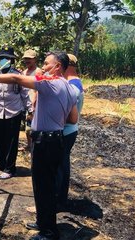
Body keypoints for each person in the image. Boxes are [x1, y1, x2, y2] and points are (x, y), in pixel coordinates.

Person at [0, 51, 79, 240]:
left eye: (46, 64)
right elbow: (73, 118)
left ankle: (49, 232)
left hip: (45, 142)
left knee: (44, 186)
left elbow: (15, 78)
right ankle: (43, 221)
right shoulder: (70, 89)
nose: (43, 67)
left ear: (58, 67)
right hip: (55, 140)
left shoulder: (49, 85)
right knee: (44, 184)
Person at [0, 46, 32, 179]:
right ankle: (1, 163)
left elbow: (25, 94)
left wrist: (30, 110)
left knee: (11, 142)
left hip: (13, 112)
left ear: (11, 60)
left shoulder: (17, 76)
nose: (4, 61)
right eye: (2, 58)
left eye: (7, 58)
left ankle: (10, 168)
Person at [56, 53, 84, 210]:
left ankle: (59, 201)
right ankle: (60, 199)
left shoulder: (73, 86)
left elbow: (68, 113)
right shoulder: (74, 83)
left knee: (60, 167)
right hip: (68, 130)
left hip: (65, 131)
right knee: (62, 164)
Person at [21, 49, 42, 152]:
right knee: (26, 125)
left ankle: (34, 146)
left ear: (34, 59)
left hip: (34, 102)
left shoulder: (38, 71)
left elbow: (39, 88)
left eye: (29, 59)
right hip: (24, 101)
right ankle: (29, 145)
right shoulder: (24, 72)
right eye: (26, 59)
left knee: (31, 126)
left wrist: (35, 102)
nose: (27, 61)